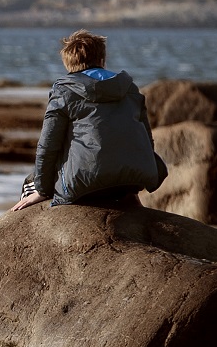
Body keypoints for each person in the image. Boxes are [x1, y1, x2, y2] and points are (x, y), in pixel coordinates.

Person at [10, 29, 167, 212]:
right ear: (102, 60)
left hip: (87, 184)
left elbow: (48, 145)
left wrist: (43, 191)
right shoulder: (129, 88)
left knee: (30, 184)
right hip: (134, 181)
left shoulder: (65, 91)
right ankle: (129, 197)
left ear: (68, 64)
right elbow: (147, 140)